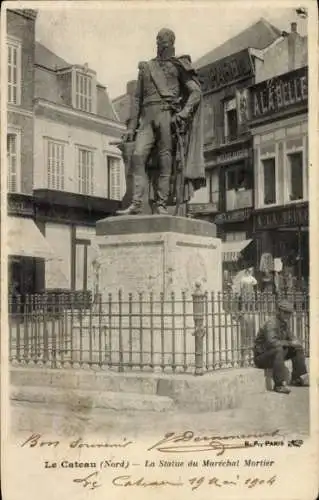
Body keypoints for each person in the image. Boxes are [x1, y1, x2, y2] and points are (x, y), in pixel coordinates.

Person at [116, 27, 205, 216]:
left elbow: (196, 92)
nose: (160, 45)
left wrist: (184, 113)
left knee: (166, 161)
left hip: (166, 116)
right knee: (138, 156)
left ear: (172, 44)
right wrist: (132, 127)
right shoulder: (146, 68)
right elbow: (137, 99)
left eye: (164, 42)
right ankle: (137, 203)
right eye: (158, 41)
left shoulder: (178, 66)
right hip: (147, 118)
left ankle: (161, 204)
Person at [253, 300, 309, 394]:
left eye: (290, 313)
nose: (288, 315)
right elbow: (272, 343)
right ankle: (279, 385)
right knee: (278, 349)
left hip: (275, 355)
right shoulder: (271, 323)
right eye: (286, 312)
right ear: (279, 311)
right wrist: (290, 343)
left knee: (297, 348)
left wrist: (295, 342)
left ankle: (298, 378)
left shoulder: (284, 324)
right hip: (261, 358)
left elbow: (292, 339)